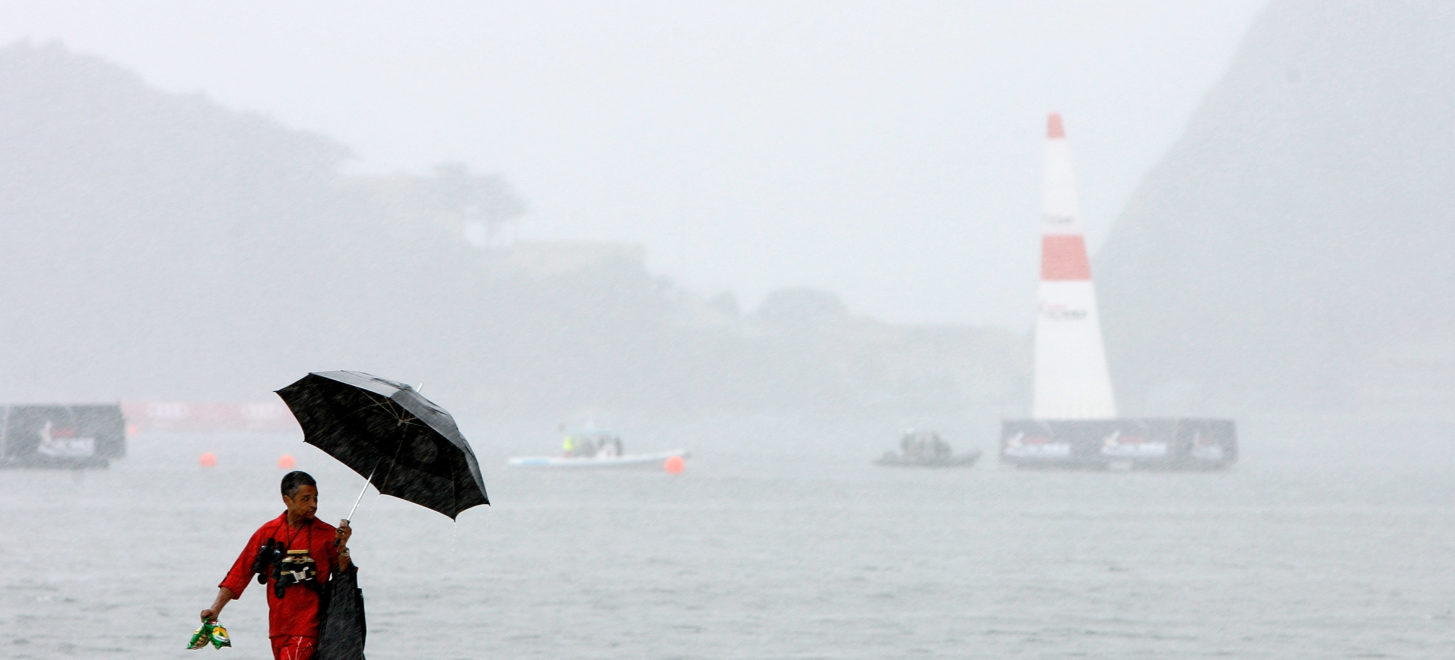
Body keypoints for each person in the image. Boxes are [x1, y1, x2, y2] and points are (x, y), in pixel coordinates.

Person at [200, 471, 355, 660]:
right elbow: (239, 573)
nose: (313, 505)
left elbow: (346, 578)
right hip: (277, 630)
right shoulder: (268, 532)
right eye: (306, 499)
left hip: (310, 629)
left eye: (315, 498)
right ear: (287, 500)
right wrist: (215, 609)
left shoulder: (328, 535)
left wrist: (343, 547)